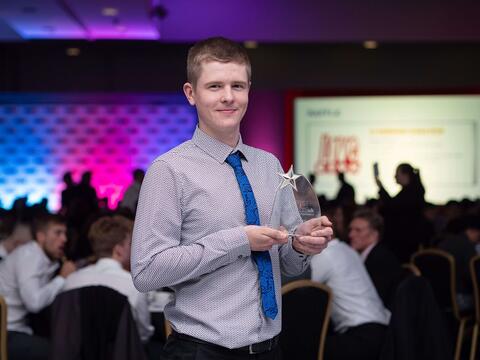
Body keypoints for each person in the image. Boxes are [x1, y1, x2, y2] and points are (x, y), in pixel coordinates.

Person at [131, 37, 333, 360]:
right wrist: (238, 240)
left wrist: (298, 245)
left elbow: (289, 265)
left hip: (270, 349)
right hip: (201, 351)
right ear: (191, 93)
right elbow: (147, 272)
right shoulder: (169, 170)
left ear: (249, 90)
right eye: (214, 86)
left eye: (237, 86)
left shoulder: (270, 165)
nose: (228, 97)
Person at [63, 215, 154, 342]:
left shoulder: (72, 281)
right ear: (118, 251)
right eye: (130, 244)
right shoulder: (133, 285)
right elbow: (142, 335)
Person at [0, 213, 76, 360]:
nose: (64, 239)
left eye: (65, 233)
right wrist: (62, 277)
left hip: (17, 329)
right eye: (58, 233)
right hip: (6, 333)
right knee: (61, 352)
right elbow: (34, 303)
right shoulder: (30, 256)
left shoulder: (41, 256)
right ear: (41, 236)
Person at [310, 238, 390, 360]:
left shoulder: (326, 254)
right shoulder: (348, 249)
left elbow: (301, 285)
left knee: (306, 347)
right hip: (383, 331)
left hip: (361, 336)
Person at [375, 163, 428, 262]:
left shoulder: (412, 192)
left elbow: (393, 207)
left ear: (405, 175)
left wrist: (381, 188)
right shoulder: (412, 191)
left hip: (404, 240)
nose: (394, 176)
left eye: (397, 173)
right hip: (404, 239)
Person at [348, 208, 401, 308]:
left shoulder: (382, 261)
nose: (351, 235)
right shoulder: (363, 255)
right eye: (350, 229)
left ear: (374, 235)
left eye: (358, 230)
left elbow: (376, 299)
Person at [438, 215, 480, 311]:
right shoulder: (467, 247)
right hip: (460, 299)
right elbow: (472, 277)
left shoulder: (442, 243)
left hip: (439, 297)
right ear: (472, 231)